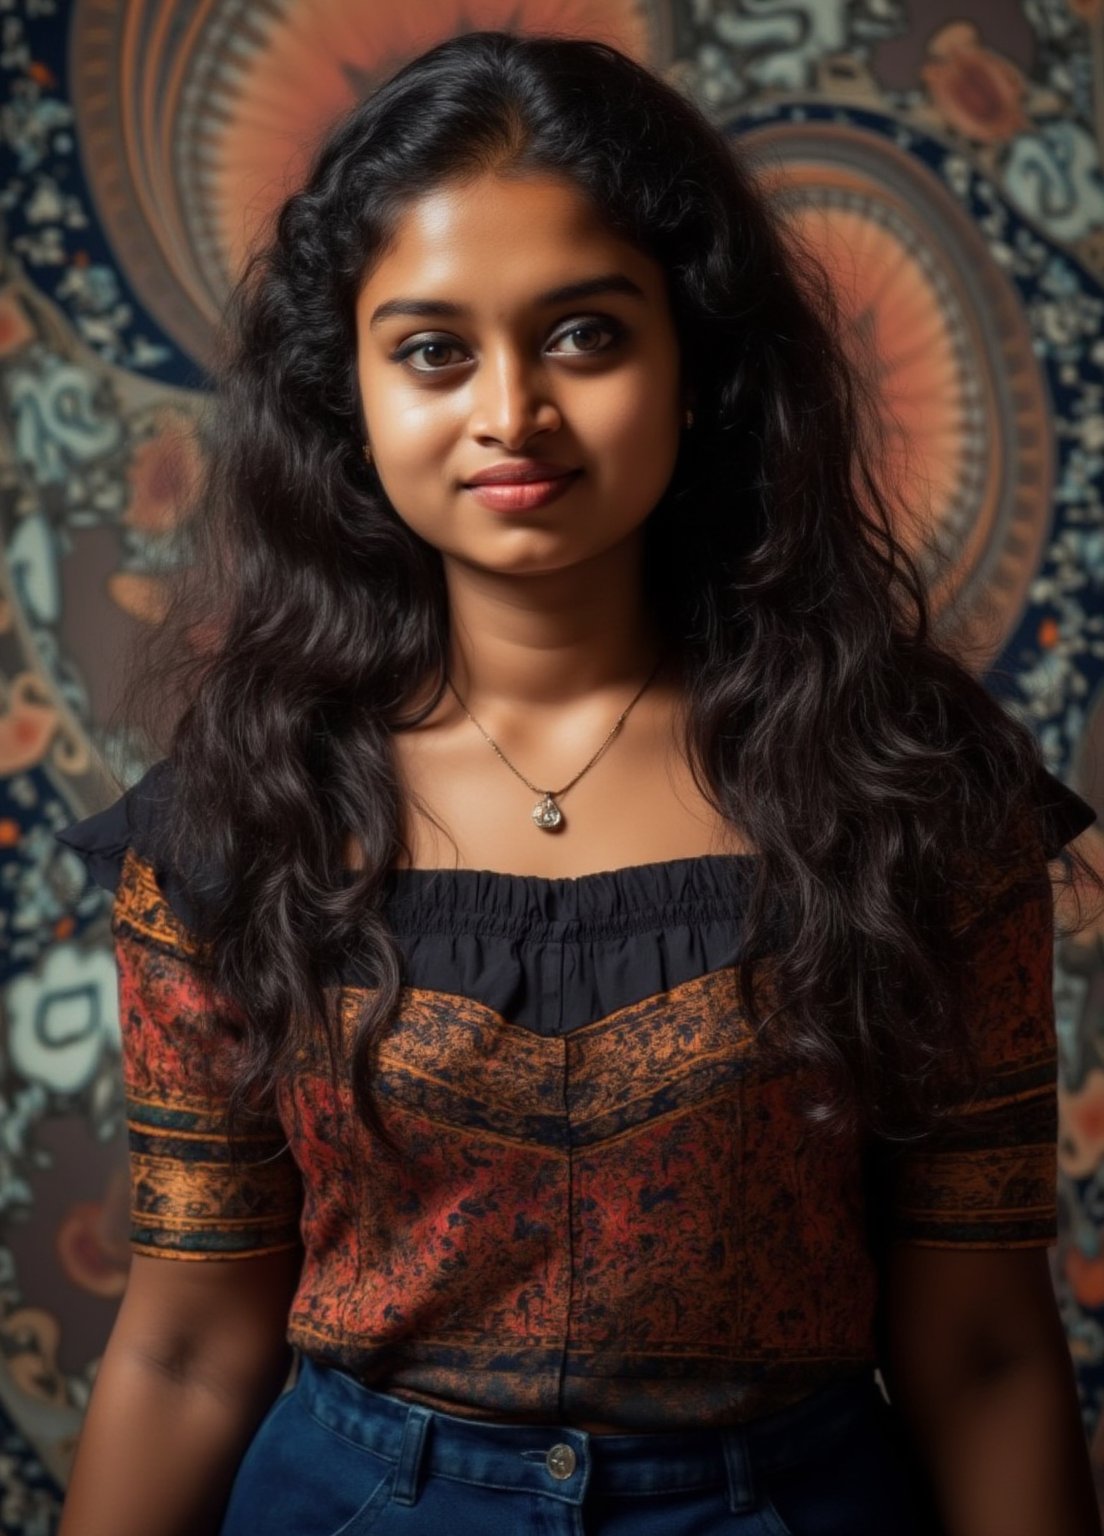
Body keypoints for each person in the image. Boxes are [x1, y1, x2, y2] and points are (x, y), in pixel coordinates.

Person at [53, 27, 1103, 1536]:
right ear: (347, 390)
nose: (509, 413)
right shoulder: (242, 817)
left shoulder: (907, 800)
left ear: (700, 364)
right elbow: (184, 1347)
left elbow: (988, 1350)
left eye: (584, 336)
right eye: (432, 350)